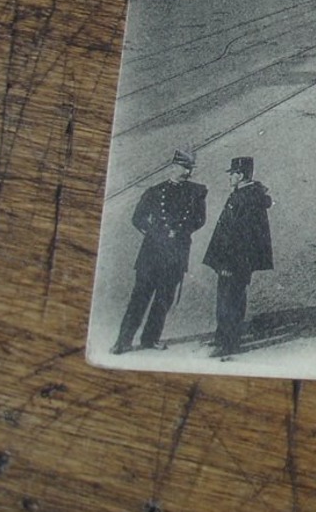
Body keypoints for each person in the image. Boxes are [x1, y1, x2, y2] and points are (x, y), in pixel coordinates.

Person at [112, 148, 207, 354]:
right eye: (184, 168)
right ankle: (123, 341)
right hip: (151, 254)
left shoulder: (197, 192)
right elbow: (137, 218)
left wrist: (180, 231)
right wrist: (156, 234)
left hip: (175, 254)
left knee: (163, 299)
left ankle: (150, 339)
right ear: (173, 167)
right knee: (139, 298)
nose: (187, 173)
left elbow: (200, 219)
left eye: (189, 169)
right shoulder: (154, 192)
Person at [202, 156, 274, 358]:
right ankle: (222, 336)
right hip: (234, 260)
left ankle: (228, 344)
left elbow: (241, 237)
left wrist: (227, 263)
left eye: (232, 174)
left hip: (234, 261)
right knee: (229, 298)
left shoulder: (246, 198)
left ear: (240, 176)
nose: (230, 177)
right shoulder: (246, 193)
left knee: (229, 301)